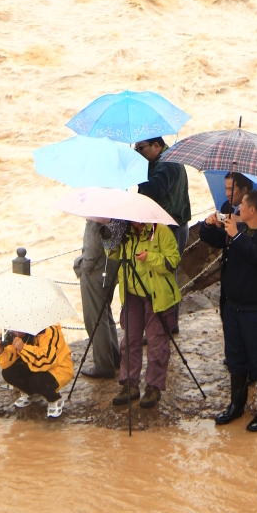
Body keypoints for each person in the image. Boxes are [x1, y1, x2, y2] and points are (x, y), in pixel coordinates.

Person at [199, 189, 257, 432]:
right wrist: (208, 223)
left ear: (252, 210)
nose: (237, 209)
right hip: (232, 306)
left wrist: (236, 236)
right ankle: (236, 405)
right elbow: (209, 238)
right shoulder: (238, 229)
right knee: (235, 358)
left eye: (242, 205)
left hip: (256, 309)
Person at [107, 220, 181, 409]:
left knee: (157, 343)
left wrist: (150, 256)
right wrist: (110, 235)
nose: (135, 221)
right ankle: (129, 385)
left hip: (157, 296)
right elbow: (112, 254)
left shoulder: (161, 232)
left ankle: (153, 387)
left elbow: (173, 262)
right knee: (129, 342)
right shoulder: (126, 234)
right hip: (132, 295)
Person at [136, 136, 192, 331]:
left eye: (141, 148)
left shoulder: (168, 163)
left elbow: (155, 190)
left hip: (173, 227)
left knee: (166, 274)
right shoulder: (161, 160)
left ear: (156, 146)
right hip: (169, 225)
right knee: (163, 274)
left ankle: (168, 325)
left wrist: (135, 172)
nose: (138, 153)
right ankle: (166, 324)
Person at [0, 324, 74, 419]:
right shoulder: (16, 334)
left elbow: (47, 359)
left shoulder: (50, 331)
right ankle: (31, 394)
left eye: (19, 329)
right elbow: (7, 363)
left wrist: (23, 348)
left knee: (37, 381)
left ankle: (55, 400)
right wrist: (1, 351)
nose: (16, 332)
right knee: (8, 373)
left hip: (57, 368)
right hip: (33, 366)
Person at [73, 221, 121, 377]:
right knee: (105, 314)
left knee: (95, 319)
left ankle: (103, 365)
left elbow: (92, 248)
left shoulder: (96, 216)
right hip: (111, 268)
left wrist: (83, 268)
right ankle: (114, 357)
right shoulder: (116, 210)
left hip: (96, 271)